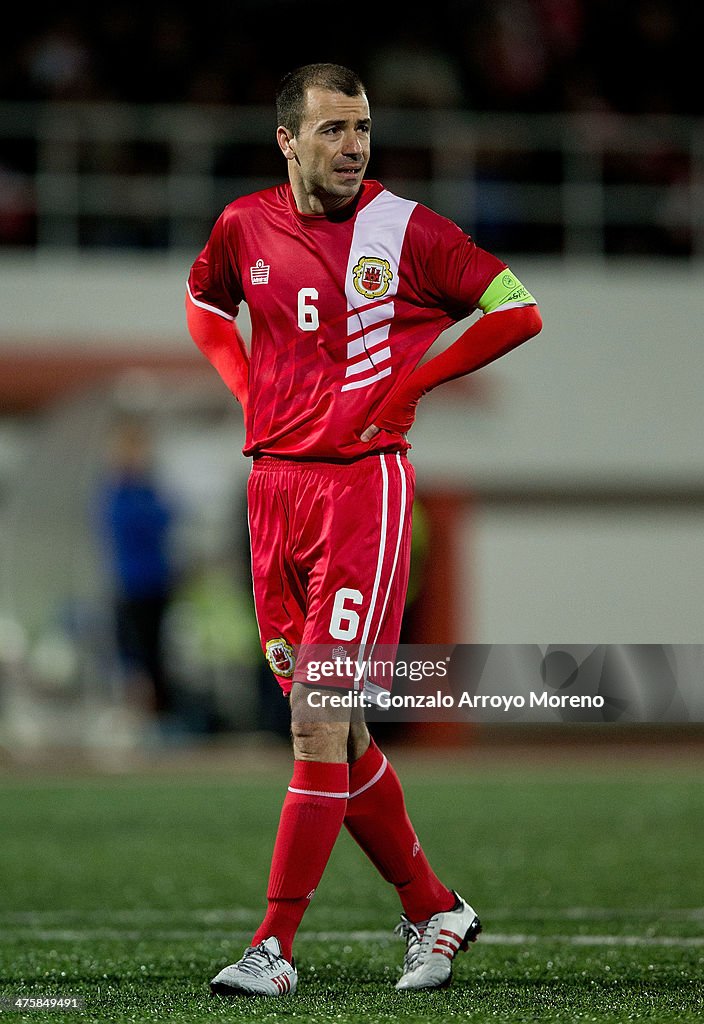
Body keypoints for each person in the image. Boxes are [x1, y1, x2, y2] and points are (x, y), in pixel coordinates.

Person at [185, 62, 542, 997]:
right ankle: (435, 908)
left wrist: (413, 384)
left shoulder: (407, 230)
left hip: (362, 495)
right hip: (273, 496)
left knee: (316, 721)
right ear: (287, 140)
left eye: (364, 129)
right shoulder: (243, 225)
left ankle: (273, 947)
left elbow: (518, 308)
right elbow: (205, 304)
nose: (354, 147)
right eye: (335, 129)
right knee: (333, 733)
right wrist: (245, 390)